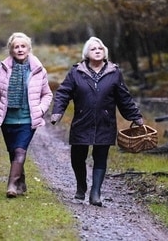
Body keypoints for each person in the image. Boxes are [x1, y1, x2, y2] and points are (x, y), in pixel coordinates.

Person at [50, 36, 144, 206]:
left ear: (105, 52)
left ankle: (96, 193)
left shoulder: (114, 72)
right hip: (82, 121)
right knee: (77, 157)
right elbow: (63, 93)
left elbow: (124, 98)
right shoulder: (76, 72)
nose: (97, 51)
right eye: (93, 49)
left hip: (105, 122)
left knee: (101, 156)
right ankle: (81, 186)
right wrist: (57, 112)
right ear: (87, 53)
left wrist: (136, 117)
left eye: (100, 49)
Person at [0, 32, 53, 198]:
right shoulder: (4, 69)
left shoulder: (38, 70)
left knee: (20, 151)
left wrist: (40, 110)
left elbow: (47, 94)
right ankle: (21, 181)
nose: (20, 49)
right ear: (11, 50)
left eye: (23, 46)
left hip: (28, 119)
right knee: (13, 152)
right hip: (8, 120)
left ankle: (11, 185)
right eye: (16, 47)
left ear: (29, 49)